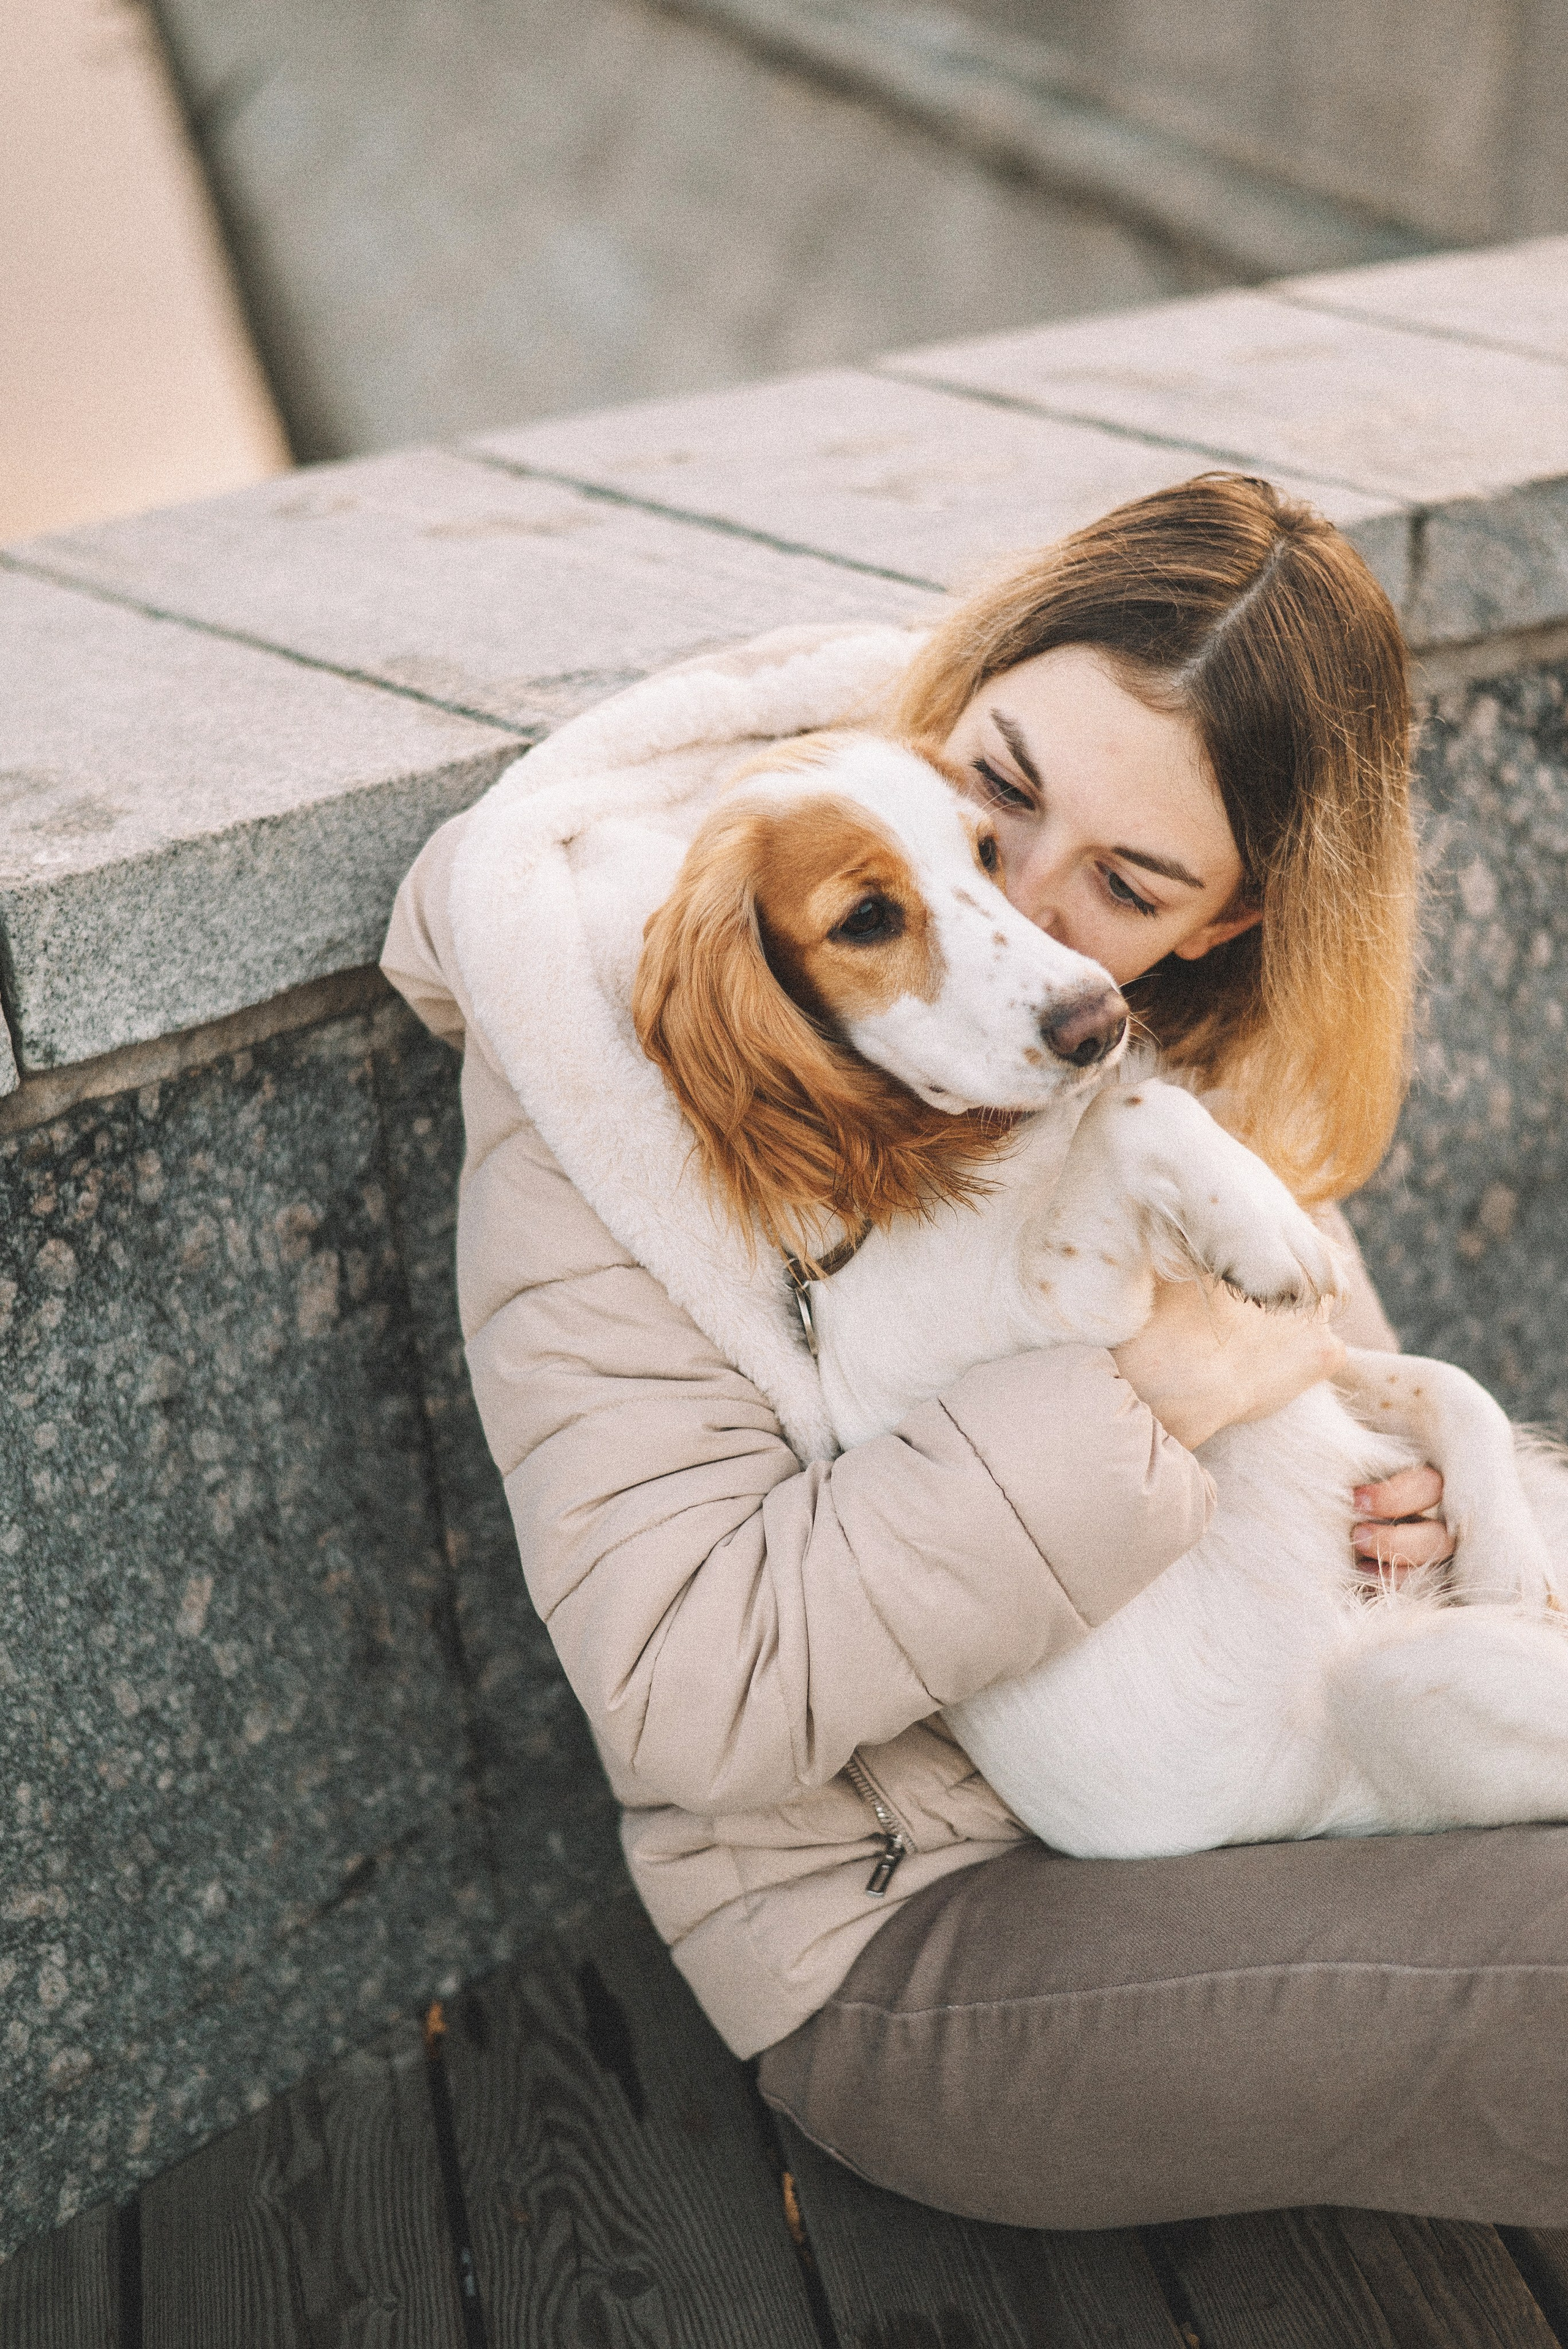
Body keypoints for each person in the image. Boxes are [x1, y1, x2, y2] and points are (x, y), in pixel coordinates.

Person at [383, 475, 1568, 2230]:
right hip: (914, 1925)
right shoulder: (623, 1049)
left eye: (1129, 882)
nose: (1018, 916)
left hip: (1304, 1758)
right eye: (997, 790)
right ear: (955, 691)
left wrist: (1415, 1506)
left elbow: (1315, 1397)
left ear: (1219, 923)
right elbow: (689, 1686)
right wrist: (1148, 1398)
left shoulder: (1142, 1024)